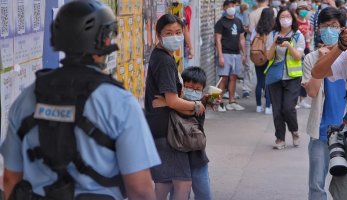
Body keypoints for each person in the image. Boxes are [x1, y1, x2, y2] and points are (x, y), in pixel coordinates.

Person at [1, 1, 160, 200]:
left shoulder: (27, 97)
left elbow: (9, 178)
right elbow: (140, 188)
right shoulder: (120, 102)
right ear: (101, 42)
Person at [144, 14, 205, 200]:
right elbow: (172, 101)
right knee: (183, 183)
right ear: (158, 34)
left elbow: (170, 99)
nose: (174, 37)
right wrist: (196, 105)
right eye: (168, 33)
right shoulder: (164, 61)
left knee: (164, 182)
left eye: (178, 32)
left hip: (161, 127)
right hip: (168, 131)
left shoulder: (162, 56)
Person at [302, 8, 347, 200]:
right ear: (318, 29)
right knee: (317, 186)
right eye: (325, 26)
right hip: (321, 132)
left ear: (342, 30)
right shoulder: (311, 58)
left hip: (346, 131)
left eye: (334, 26)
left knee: (345, 187)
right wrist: (322, 59)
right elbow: (312, 92)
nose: (329, 30)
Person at [153, 67, 212, 200]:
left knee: (204, 194)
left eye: (197, 89)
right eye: (188, 87)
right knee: (179, 193)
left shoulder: (199, 105)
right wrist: (170, 102)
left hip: (197, 159)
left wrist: (207, 100)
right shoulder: (175, 103)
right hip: (177, 158)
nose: (192, 91)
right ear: (180, 88)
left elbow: (192, 110)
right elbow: (178, 107)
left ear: (202, 90)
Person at [265, 7, 305, 150]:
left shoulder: (298, 35)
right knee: (277, 109)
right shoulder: (273, 35)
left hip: (292, 77)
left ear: (293, 19)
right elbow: (268, 57)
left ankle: (294, 131)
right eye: (282, 16)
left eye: (288, 16)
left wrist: (288, 44)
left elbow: (298, 56)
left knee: (288, 107)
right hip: (275, 77)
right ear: (278, 19)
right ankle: (280, 138)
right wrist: (275, 44)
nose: (285, 19)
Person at [215, 0, 246, 112]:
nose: (232, 8)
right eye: (229, 6)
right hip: (225, 53)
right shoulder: (220, 22)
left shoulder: (238, 21)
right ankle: (218, 102)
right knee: (223, 78)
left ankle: (232, 101)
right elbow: (218, 40)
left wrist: (244, 54)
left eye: (233, 5)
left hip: (236, 54)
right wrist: (220, 56)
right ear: (224, 8)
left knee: (233, 78)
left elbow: (242, 38)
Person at [251, 7, 274, 114]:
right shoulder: (272, 30)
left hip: (258, 56)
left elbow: (251, 41)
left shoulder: (257, 29)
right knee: (268, 82)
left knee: (259, 82)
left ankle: (258, 106)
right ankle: (268, 107)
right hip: (269, 57)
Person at [296, 1, 312, 109]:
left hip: (306, 48)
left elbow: (309, 33)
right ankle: (295, 100)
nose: (304, 11)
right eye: (302, 9)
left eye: (305, 9)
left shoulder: (308, 22)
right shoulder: (295, 22)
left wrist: (309, 39)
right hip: (297, 50)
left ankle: (302, 99)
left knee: (305, 74)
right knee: (297, 75)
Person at [236, 3, 254, 99]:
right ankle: (246, 88)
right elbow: (244, 28)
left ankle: (248, 87)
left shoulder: (255, 12)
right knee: (248, 66)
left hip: (257, 42)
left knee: (250, 66)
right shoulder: (246, 13)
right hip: (247, 42)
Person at [183, 0, 194, 68]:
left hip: (184, 44)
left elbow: (186, 30)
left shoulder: (188, 9)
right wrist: (191, 48)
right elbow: (185, 31)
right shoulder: (182, 10)